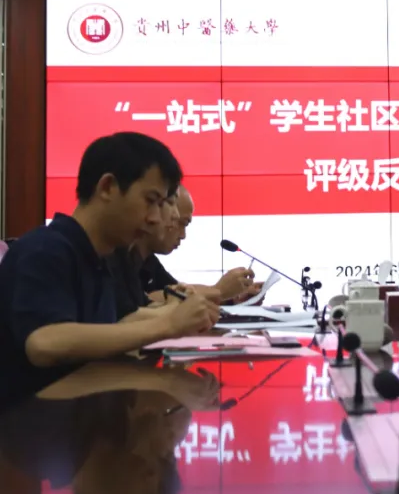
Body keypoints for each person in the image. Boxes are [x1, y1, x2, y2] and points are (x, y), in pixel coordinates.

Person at [0, 132, 218, 402]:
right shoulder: (46, 249)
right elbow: (45, 343)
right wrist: (168, 325)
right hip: (31, 423)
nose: (155, 218)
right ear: (107, 187)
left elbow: (115, 329)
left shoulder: (101, 257)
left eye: (161, 204)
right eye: (151, 201)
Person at [141, 186, 256, 306]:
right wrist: (218, 291)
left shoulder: (149, 261)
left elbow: (178, 292)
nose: (183, 235)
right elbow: (146, 305)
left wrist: (230, 297)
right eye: (179, 222)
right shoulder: (129, 260)